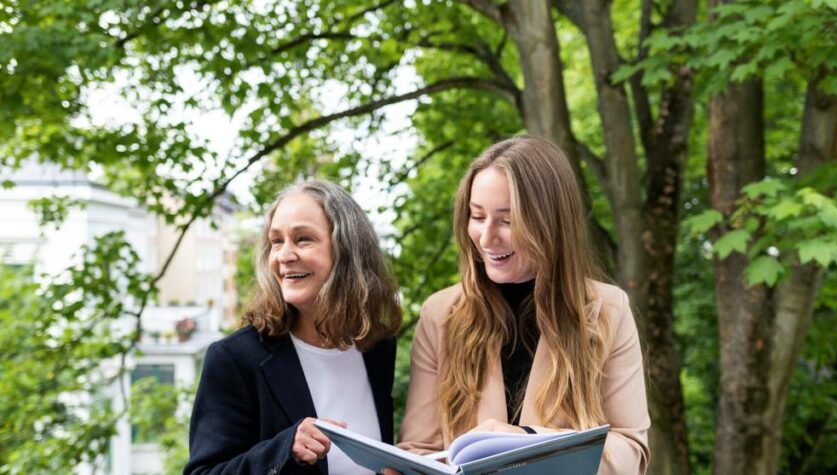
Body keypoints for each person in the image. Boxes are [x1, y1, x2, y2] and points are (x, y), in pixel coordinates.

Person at [397, 136, 650, 474]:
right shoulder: (440, 314)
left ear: (550, 222)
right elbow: (420, 449)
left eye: (507, 219)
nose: (487, 237)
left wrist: (527, 441)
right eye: (477, 216)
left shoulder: (607, 309)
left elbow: (630, 450)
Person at [185, 180, 401, 475]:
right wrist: (285, 449)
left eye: (303, 239)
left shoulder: (377, 346)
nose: (284, 255)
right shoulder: (234, 359)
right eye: (276, 241)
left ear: (348, 251)